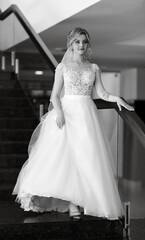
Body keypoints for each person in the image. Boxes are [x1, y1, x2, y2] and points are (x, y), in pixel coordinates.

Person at [12, 27, 134, 220]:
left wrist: (117, 99)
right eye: (77, 42)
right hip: (67, 114)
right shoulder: (62, 68)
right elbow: (54, 96)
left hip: (86, 115)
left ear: (88, 44)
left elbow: (101, 94)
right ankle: (71, 202)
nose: (81, 45)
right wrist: (59, 113)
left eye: (84, 42)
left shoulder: (93, 68)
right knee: (64, 159)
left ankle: (84, 202)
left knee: (87, 158)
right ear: (71, 44)